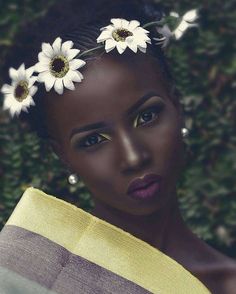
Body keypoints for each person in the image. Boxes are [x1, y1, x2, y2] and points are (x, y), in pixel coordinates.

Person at [0, 0, 236, 293]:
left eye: (146, 116)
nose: (134, 157)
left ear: (177, 107)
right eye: (93, 140)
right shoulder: (19, 278)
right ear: (62, 155)